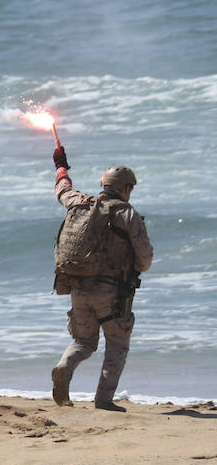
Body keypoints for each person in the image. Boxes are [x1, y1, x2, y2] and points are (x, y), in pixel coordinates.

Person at [50, 142, 153, 411]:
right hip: (113, 294)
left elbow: (62, 189)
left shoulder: (79, 203)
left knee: (83, 342)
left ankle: (64, 366)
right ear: (126, 188)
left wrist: (61, 165)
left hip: (79, 288)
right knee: (117, 347)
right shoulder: (127, 214)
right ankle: (104, 401)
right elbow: (145, 258)